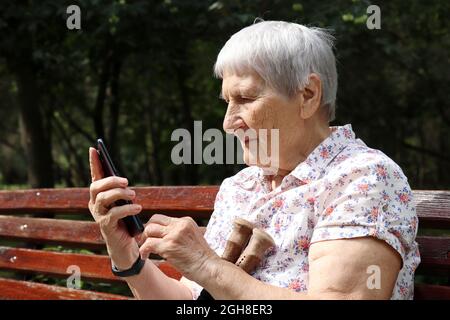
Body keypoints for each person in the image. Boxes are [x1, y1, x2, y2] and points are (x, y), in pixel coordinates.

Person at [88, 20, 420, 300]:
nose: (228, 122)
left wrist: (208, 265)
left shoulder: (362, 178)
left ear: (308, 95)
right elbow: (191, 300)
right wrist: (126, 254)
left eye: (245, 98)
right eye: (227, 102)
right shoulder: (242, 186)